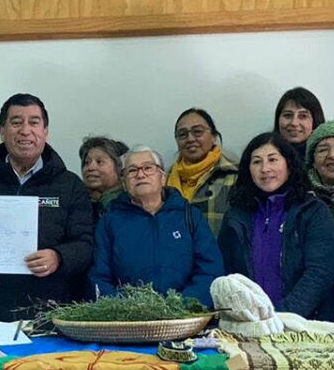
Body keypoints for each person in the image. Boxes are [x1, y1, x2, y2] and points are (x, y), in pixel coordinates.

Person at [0, 93, 95, 321]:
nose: (25, 130)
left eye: (34, 122)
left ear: (45, 131)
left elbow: (85, 245)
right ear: (2, 131)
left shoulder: (69, 185)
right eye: (16, 122)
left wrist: (58, 257)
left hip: (49, 311)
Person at [217, 132, 334, 318]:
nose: (265, 168)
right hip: (249, 322)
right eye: (256, 162)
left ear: (288, 164)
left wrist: (282, 316)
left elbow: (320, 273)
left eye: (273, 159)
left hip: (302, 323)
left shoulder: (313, 211)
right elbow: (227, 274)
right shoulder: (236, 216)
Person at [89, 146, 222, 307]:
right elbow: (98, 277)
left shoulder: (189, 216)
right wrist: (129, 309)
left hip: (186, 315)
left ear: (163, 177)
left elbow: (210, 270)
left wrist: (180, 305)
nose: (140, 174)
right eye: (132, 171)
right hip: (129, 317)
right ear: (124, 182)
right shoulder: (109, 222)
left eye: (148, 168)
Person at [166, 108, 239, 237]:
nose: (190, 139)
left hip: (219, 249)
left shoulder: (234, 175)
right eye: (182, 134)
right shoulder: (164, 180)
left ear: (213, 137)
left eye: (197, 132)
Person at [79, 135, 128, 216]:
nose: (90, 168)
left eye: (99, 162)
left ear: (121, 168)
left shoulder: (133, 205)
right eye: (87, 162)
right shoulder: (74, 204)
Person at [274, 86, 326, 156]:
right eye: (288, 115)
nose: (294, 123)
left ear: (316, 120)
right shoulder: (265, 153)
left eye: (303, 116)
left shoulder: (327, 156)